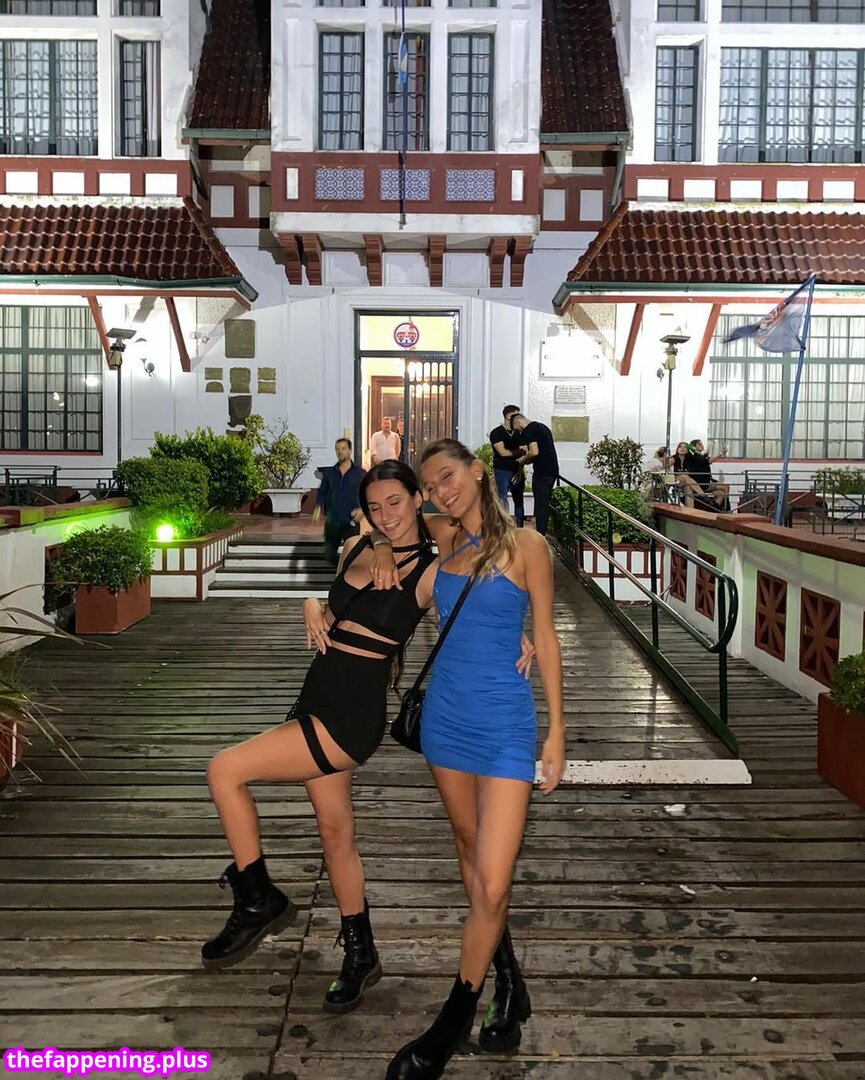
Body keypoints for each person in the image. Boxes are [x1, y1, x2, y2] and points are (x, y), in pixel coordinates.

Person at [202, 461, 535, 1013]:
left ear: (418, 499)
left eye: (396, 503)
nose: (386, 516)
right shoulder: (357, 547)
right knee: (335, 835)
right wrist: (313, 603)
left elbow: (479, 591)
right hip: (316, 697)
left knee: (225, 770)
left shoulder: (431, 568)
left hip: (349, 719)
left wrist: (516, 634)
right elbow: (336, 604)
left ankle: (257, 898)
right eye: (375, 507)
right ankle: (362, 956)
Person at [372, 438, 565, 1080]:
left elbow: (546, 635)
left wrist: (556, 731)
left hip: (506, 723)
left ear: (478, 471)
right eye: (430, 486)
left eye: (447, 477)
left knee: (493, 880)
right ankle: (507, 978)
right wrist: (379, 547)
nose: (440, 492)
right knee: (468, 846)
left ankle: (452, 1021)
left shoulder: (527, 546)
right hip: (446, 721)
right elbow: (379, 527)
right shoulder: (443, 536)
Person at [313, 438, 364, 566]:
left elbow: (368, 495)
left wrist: (362, 510)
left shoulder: (360, 474)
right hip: (333, 522)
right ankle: (339, 571)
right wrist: (318, 506)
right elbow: (322, 491)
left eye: (343, 448)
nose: (340, 452)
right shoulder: (330, 473)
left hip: (351, 521)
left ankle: (344, 573)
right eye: (337, 449)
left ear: (350, 450)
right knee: (329, 556)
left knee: (352, 556)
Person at [511, 413, 559, 537]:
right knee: (545, 503)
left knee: (540, 505)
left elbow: (534, 451)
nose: (519, 432)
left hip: (542, 472)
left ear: (517, 423)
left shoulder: (530, 430)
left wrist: (521, 460)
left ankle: (540, 535)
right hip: (552, 470)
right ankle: (543, 531)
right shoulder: (543, 427)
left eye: (517, 429)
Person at [489, 405, 525, 527]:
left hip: (517, 470)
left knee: (519, 500)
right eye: (516, 415)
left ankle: (520, 527)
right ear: (509, 416)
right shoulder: (497, 433)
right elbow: (502, 452)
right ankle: (503, 526)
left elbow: (526, 449)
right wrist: (519, 451)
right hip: (502, 470)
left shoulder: (519, 433)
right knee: (502, 498)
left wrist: (520, 468)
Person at [686, 439, 730, 510]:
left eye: (701, 443)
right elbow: (708, 461)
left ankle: (715, 508)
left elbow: (708, 459)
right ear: (694, 447)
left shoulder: (701, 457)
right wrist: (720, 454)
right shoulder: (695, 457)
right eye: (699, 444)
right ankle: (727, 509)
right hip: (702, 484)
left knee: (721, 493)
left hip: (706, 482)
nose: (702, 445)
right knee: (725, 486)